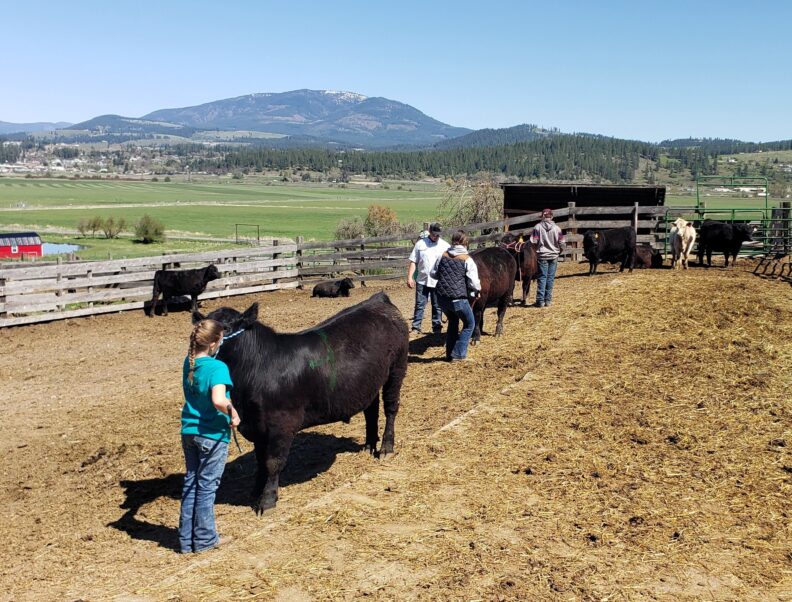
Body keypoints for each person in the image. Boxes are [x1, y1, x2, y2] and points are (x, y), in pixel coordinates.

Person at [179, 319, 240, 554]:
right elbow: (218, 400)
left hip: (189, 432)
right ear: (214, 343)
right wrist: (233, 413)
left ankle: (187, 540)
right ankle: (204, 539)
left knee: (191, 483)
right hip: (212, 435)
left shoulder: (189, 363)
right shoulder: (218, 368)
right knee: (206, 487)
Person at [431, 230, 481, 362]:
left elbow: (433, 274)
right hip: (458, 298)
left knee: (453, 322)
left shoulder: (443, 255)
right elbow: (474, 282)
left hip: (441, 298)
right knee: (470, 323)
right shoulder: (467, 259)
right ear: (465, 243)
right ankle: (458, 354)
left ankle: (449, 354)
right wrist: (477, 290)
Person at [406, 222, 450, 335]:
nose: (436, 237)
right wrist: (410, 277)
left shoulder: (445, 246)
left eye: (438, 235)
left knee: (437, 305)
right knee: (420, 304)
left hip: (437, 281)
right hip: (422, 279)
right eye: (434, 234)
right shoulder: (420, 244)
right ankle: (416, 327)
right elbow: (413, 261)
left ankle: (437, 327)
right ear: (430, 232)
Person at [530, 208, 566, 308]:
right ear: (552, 216)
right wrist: (559, 252)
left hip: (542, 255)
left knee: (542, 277)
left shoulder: (537, 227)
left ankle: (540, 301)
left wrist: (536, 252)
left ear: (542, 216)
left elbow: (534, 242)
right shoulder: (557, 228)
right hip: (554, 255)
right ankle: (548, 300)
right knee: (550, 278)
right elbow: (562, 244)